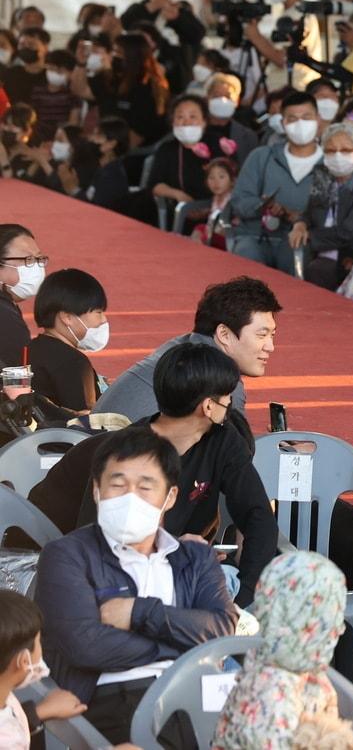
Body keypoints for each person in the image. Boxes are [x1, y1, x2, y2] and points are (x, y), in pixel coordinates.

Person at [32, 343, 278, 611]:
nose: (230, 404)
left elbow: (258, 515)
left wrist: (246, 598)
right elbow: (96, 548)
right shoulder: (124, 456)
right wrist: (178, 556)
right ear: (208, 406)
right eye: (227, 396)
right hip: (71, 574)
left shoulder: (222, 439)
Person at [33, 429, 238, 744]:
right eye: (117, 484)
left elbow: (222, 629)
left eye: (145, 486)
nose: (131, 497)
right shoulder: (66, 555)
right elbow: (86, 646)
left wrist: (139, 613)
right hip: (116, 698)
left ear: (169, 497)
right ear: (97, 491)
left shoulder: (194, 557)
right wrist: (183, 646)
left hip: (200, 693)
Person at [212, 552, 353, 749]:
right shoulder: (274, 698)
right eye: (332, 622)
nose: (340, 630)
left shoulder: (292, 672)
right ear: (312, 629)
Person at [94, 276, 281, 422]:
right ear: (224, 334)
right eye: (261, 335)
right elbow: (237, 459)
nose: (270, 347)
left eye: (272, 335)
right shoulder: (218, 377)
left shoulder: (180, 348)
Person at [225, 91, 322, 272]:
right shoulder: (262, 156)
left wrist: (298, 217)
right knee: (245, 261)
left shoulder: (328, 164)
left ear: (318, 119)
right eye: (292, 119)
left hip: (299, 238)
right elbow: (239, 201)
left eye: (306, 117)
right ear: (283, 123)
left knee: (295, 263)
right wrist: (262, 205)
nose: (300, 124)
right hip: (254, 235)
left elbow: (331, 214)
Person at [288, 122, 353, 291]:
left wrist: (309, 236)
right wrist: (300, 224)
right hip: (318, 250)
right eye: (330, 150)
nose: (338, 156)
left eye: (346, 150)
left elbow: (349, 233)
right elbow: (311, 208)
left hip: (351, 255)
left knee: (317, 271)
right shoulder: (323, 173)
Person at [0, 591, 88, 748]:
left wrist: (39, 712)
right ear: (24, 661)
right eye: (39, 642)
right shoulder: (9, 742)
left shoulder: (5, 696)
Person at [27, 269, 108, 413]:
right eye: (99, 312)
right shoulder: (74, 361)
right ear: (67, 318)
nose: (103, 320)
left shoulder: (31, 349)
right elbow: (86, 421)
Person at [74, 33, 170, 149]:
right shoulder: (109, 78)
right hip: (106, 145)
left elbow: (138, 134)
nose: (114, 56)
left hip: (134, 151)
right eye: (113, 51)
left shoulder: (147, 87)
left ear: (133, 56)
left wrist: (115, 153)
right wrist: (81, 63)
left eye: (119, 52)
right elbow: (80, 90)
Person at [241, 0, 322, 93]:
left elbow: (281, 58)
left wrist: (255, 36)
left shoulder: (298, 15)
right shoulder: (288, 12)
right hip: (280, 87)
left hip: (293, 87)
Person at [119, 0, 206, 89]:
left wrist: (178, 18)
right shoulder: (138, 9)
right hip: (140, 73)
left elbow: (198, 34)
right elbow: (125, 23)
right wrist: (151, 7)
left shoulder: (180, 10)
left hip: (174, 77)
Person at [0, 225, 44, 368]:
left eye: (39, 258)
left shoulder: (7, 306)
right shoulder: (5, 317)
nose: (37, 266)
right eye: (28, 259)